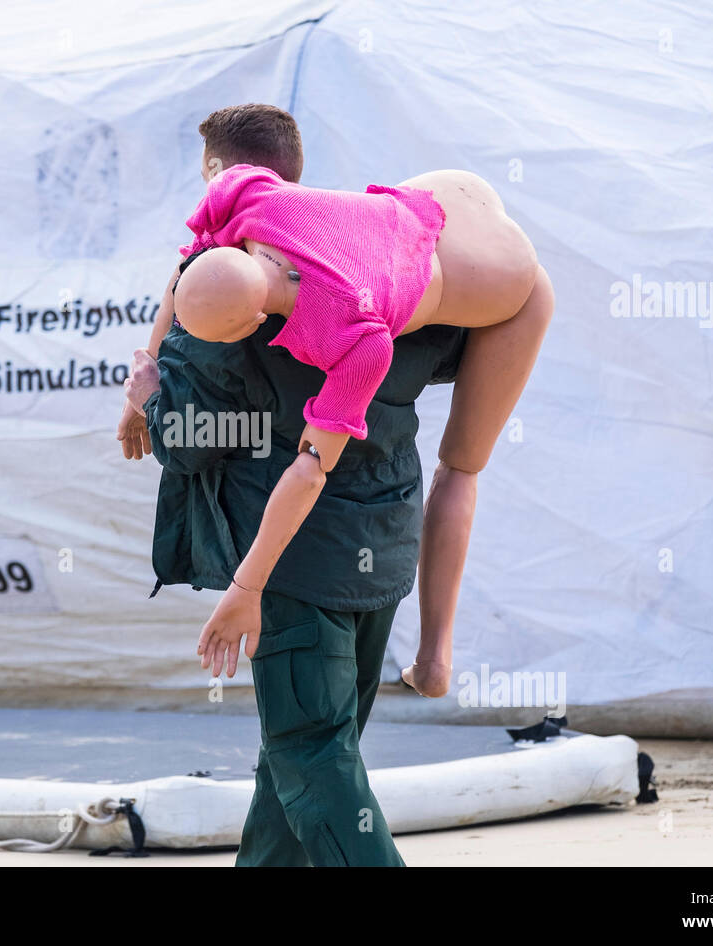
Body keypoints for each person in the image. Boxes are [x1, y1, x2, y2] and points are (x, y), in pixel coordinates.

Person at [123, 116, 553, 701]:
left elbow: (310, 470)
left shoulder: (354, 333)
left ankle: (435, 658)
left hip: (506, 277)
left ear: (253, 324)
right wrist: (142, 380)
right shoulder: (246, 190)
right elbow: (182, 278)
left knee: (462, 465)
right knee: (459, 470)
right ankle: (431, 659)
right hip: (431, 196)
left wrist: (245, 590)